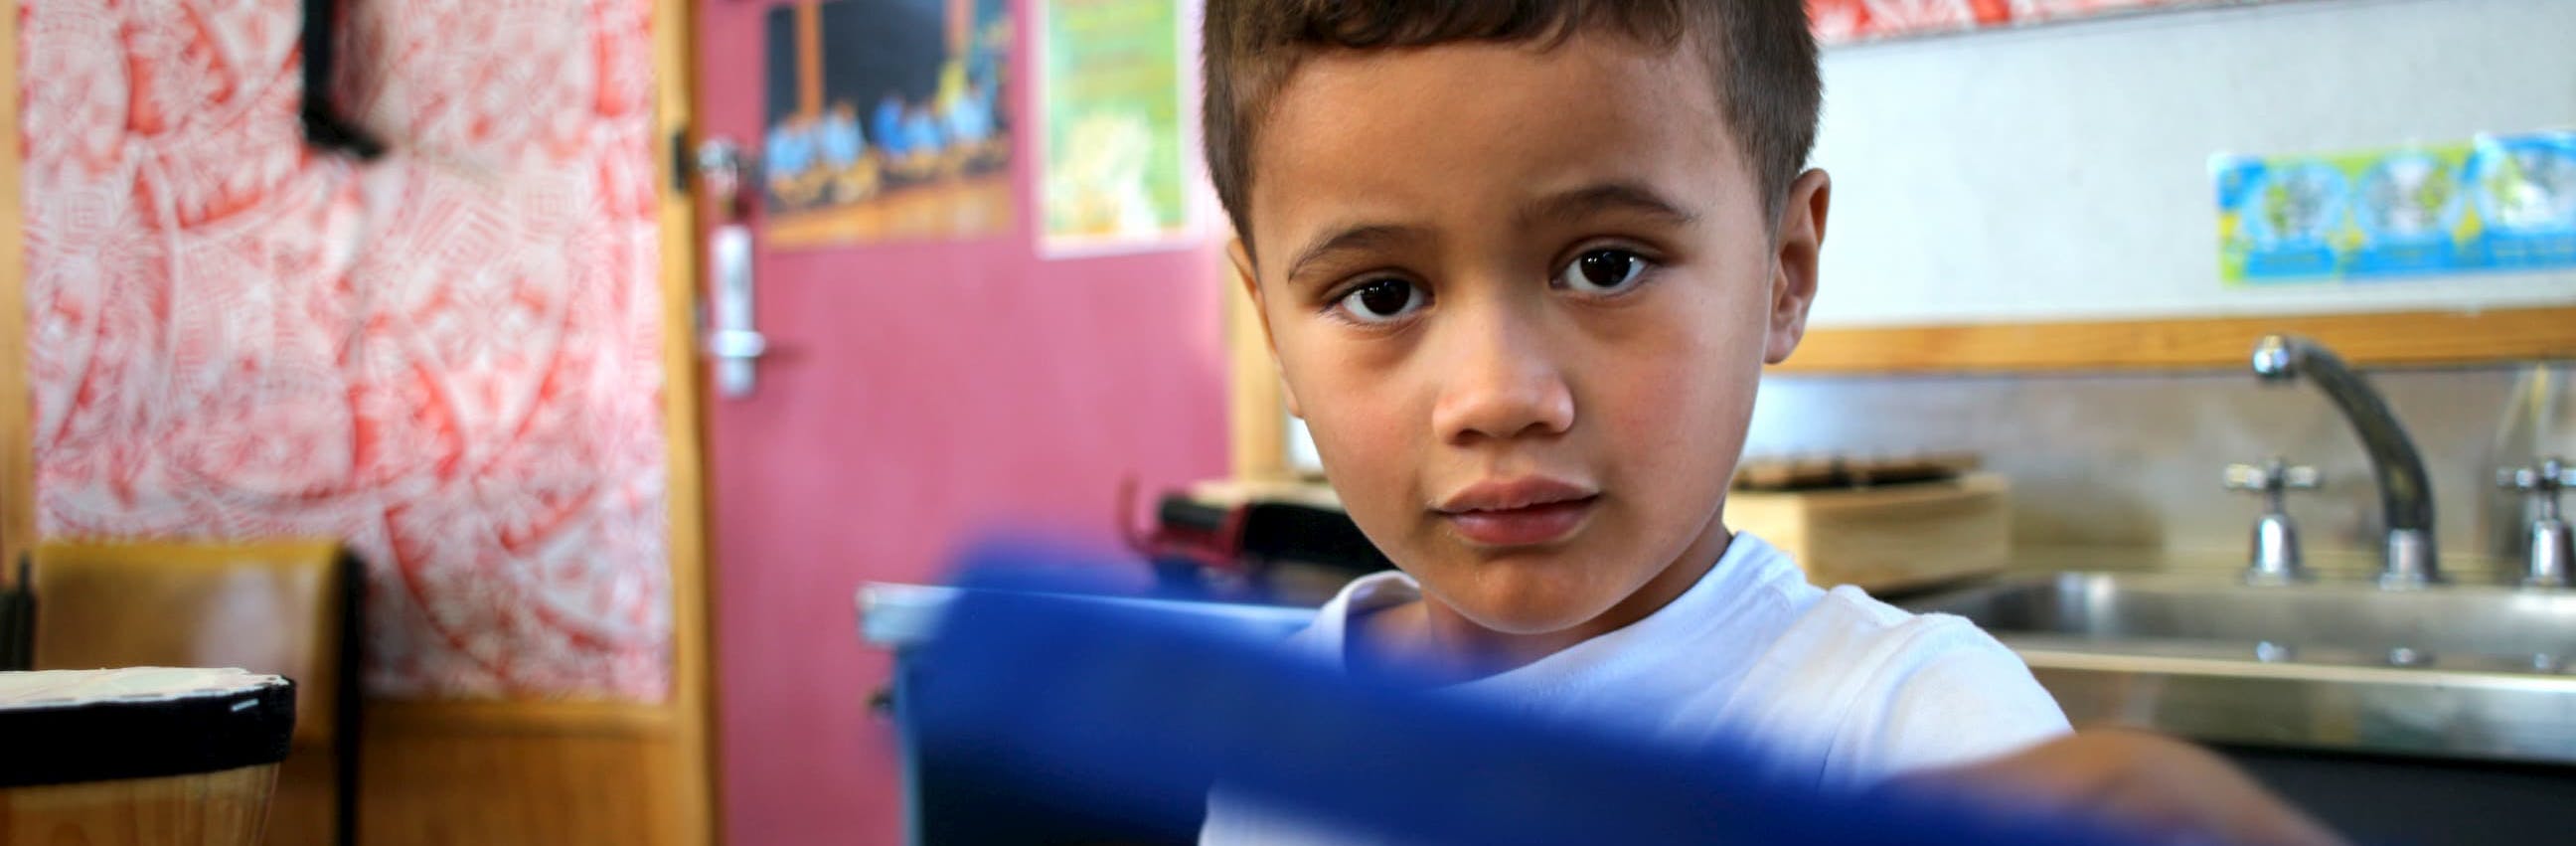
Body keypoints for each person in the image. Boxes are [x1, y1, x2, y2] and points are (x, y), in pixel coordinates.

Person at [1193, 2, 2341, 845]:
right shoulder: (1266, 727)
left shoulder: (1907, 726)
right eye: (1382, 293)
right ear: (1274, 327)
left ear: (1786, 270)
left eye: (1604, 264)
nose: (1496, 395)